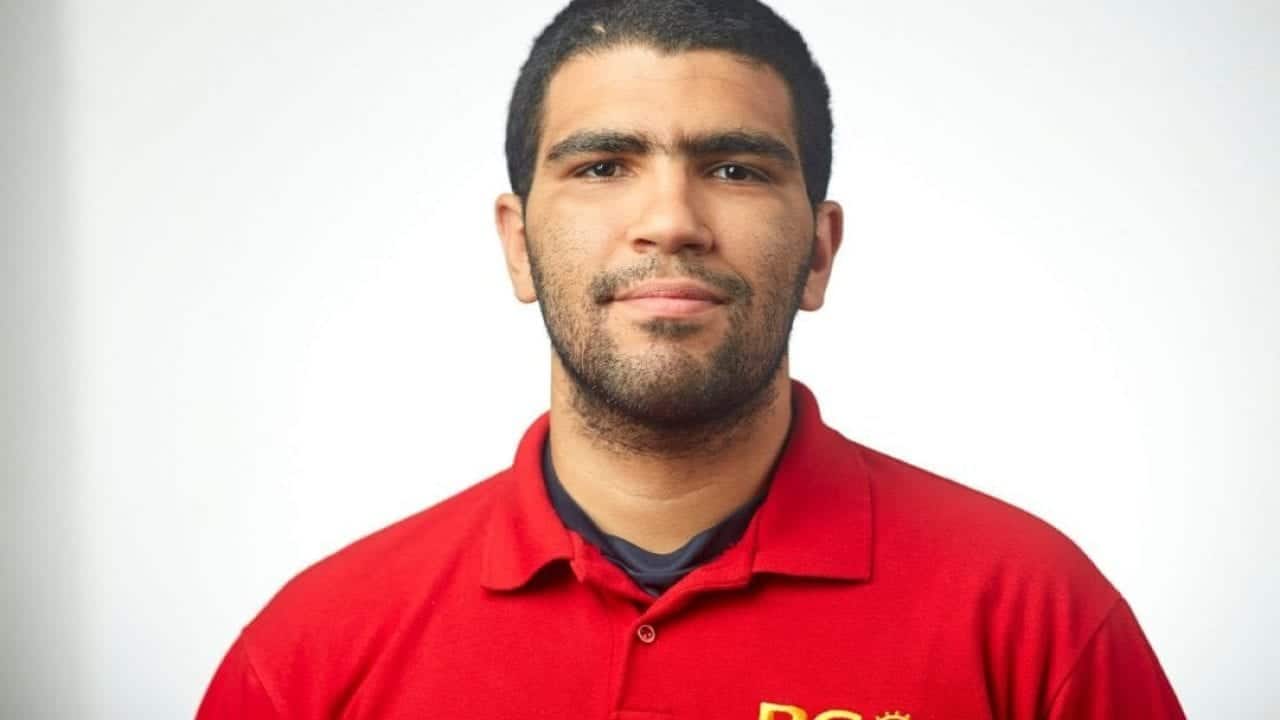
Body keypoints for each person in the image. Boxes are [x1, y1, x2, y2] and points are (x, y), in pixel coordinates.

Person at [197, 1, 1185, 717]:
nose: (670, 220)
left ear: (819, 252)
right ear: (517, 246)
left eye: (733, 167)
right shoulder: (315, 651)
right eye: (602, 166)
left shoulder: (1035, 615)